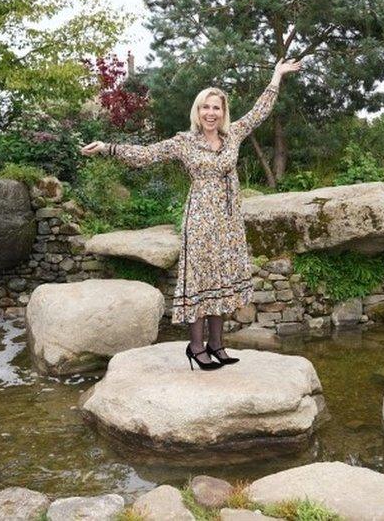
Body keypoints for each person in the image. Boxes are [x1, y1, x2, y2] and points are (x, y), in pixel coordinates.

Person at [80, 58, 302, 371]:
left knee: (221, 280)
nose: (211, 113)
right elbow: (146, 155)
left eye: (217, 108)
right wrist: (107, 147)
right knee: (200, 283)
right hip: (199, 220)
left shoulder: (233, 135)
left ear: (223, 112)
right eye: (205, 108)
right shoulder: (184, 142)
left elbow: (259, 112)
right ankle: (196, 347)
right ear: (197, 111)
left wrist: (276, 77)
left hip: (228, 222)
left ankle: (217, 344)